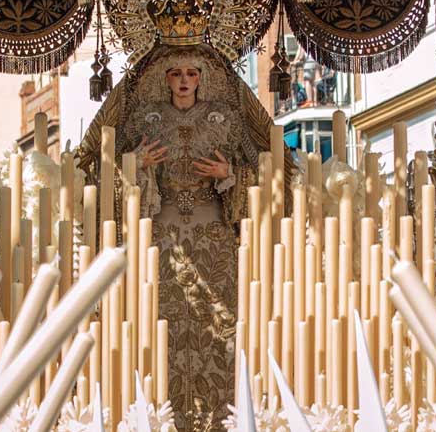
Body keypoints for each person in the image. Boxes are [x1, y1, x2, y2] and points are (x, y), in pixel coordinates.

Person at [77, 41, 288, 431]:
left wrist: (231, 176)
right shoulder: (144, 120)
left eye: (192, 73)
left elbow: (269, 173)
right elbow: (102, 179)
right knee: (162, 326)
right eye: (176, 74)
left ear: (204, 79)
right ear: (164, 78)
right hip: (161, 239)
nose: (184, 81)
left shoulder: (227, 118)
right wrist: (135, 166)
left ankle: (226, 419)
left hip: (216, 240)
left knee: (221, 325)